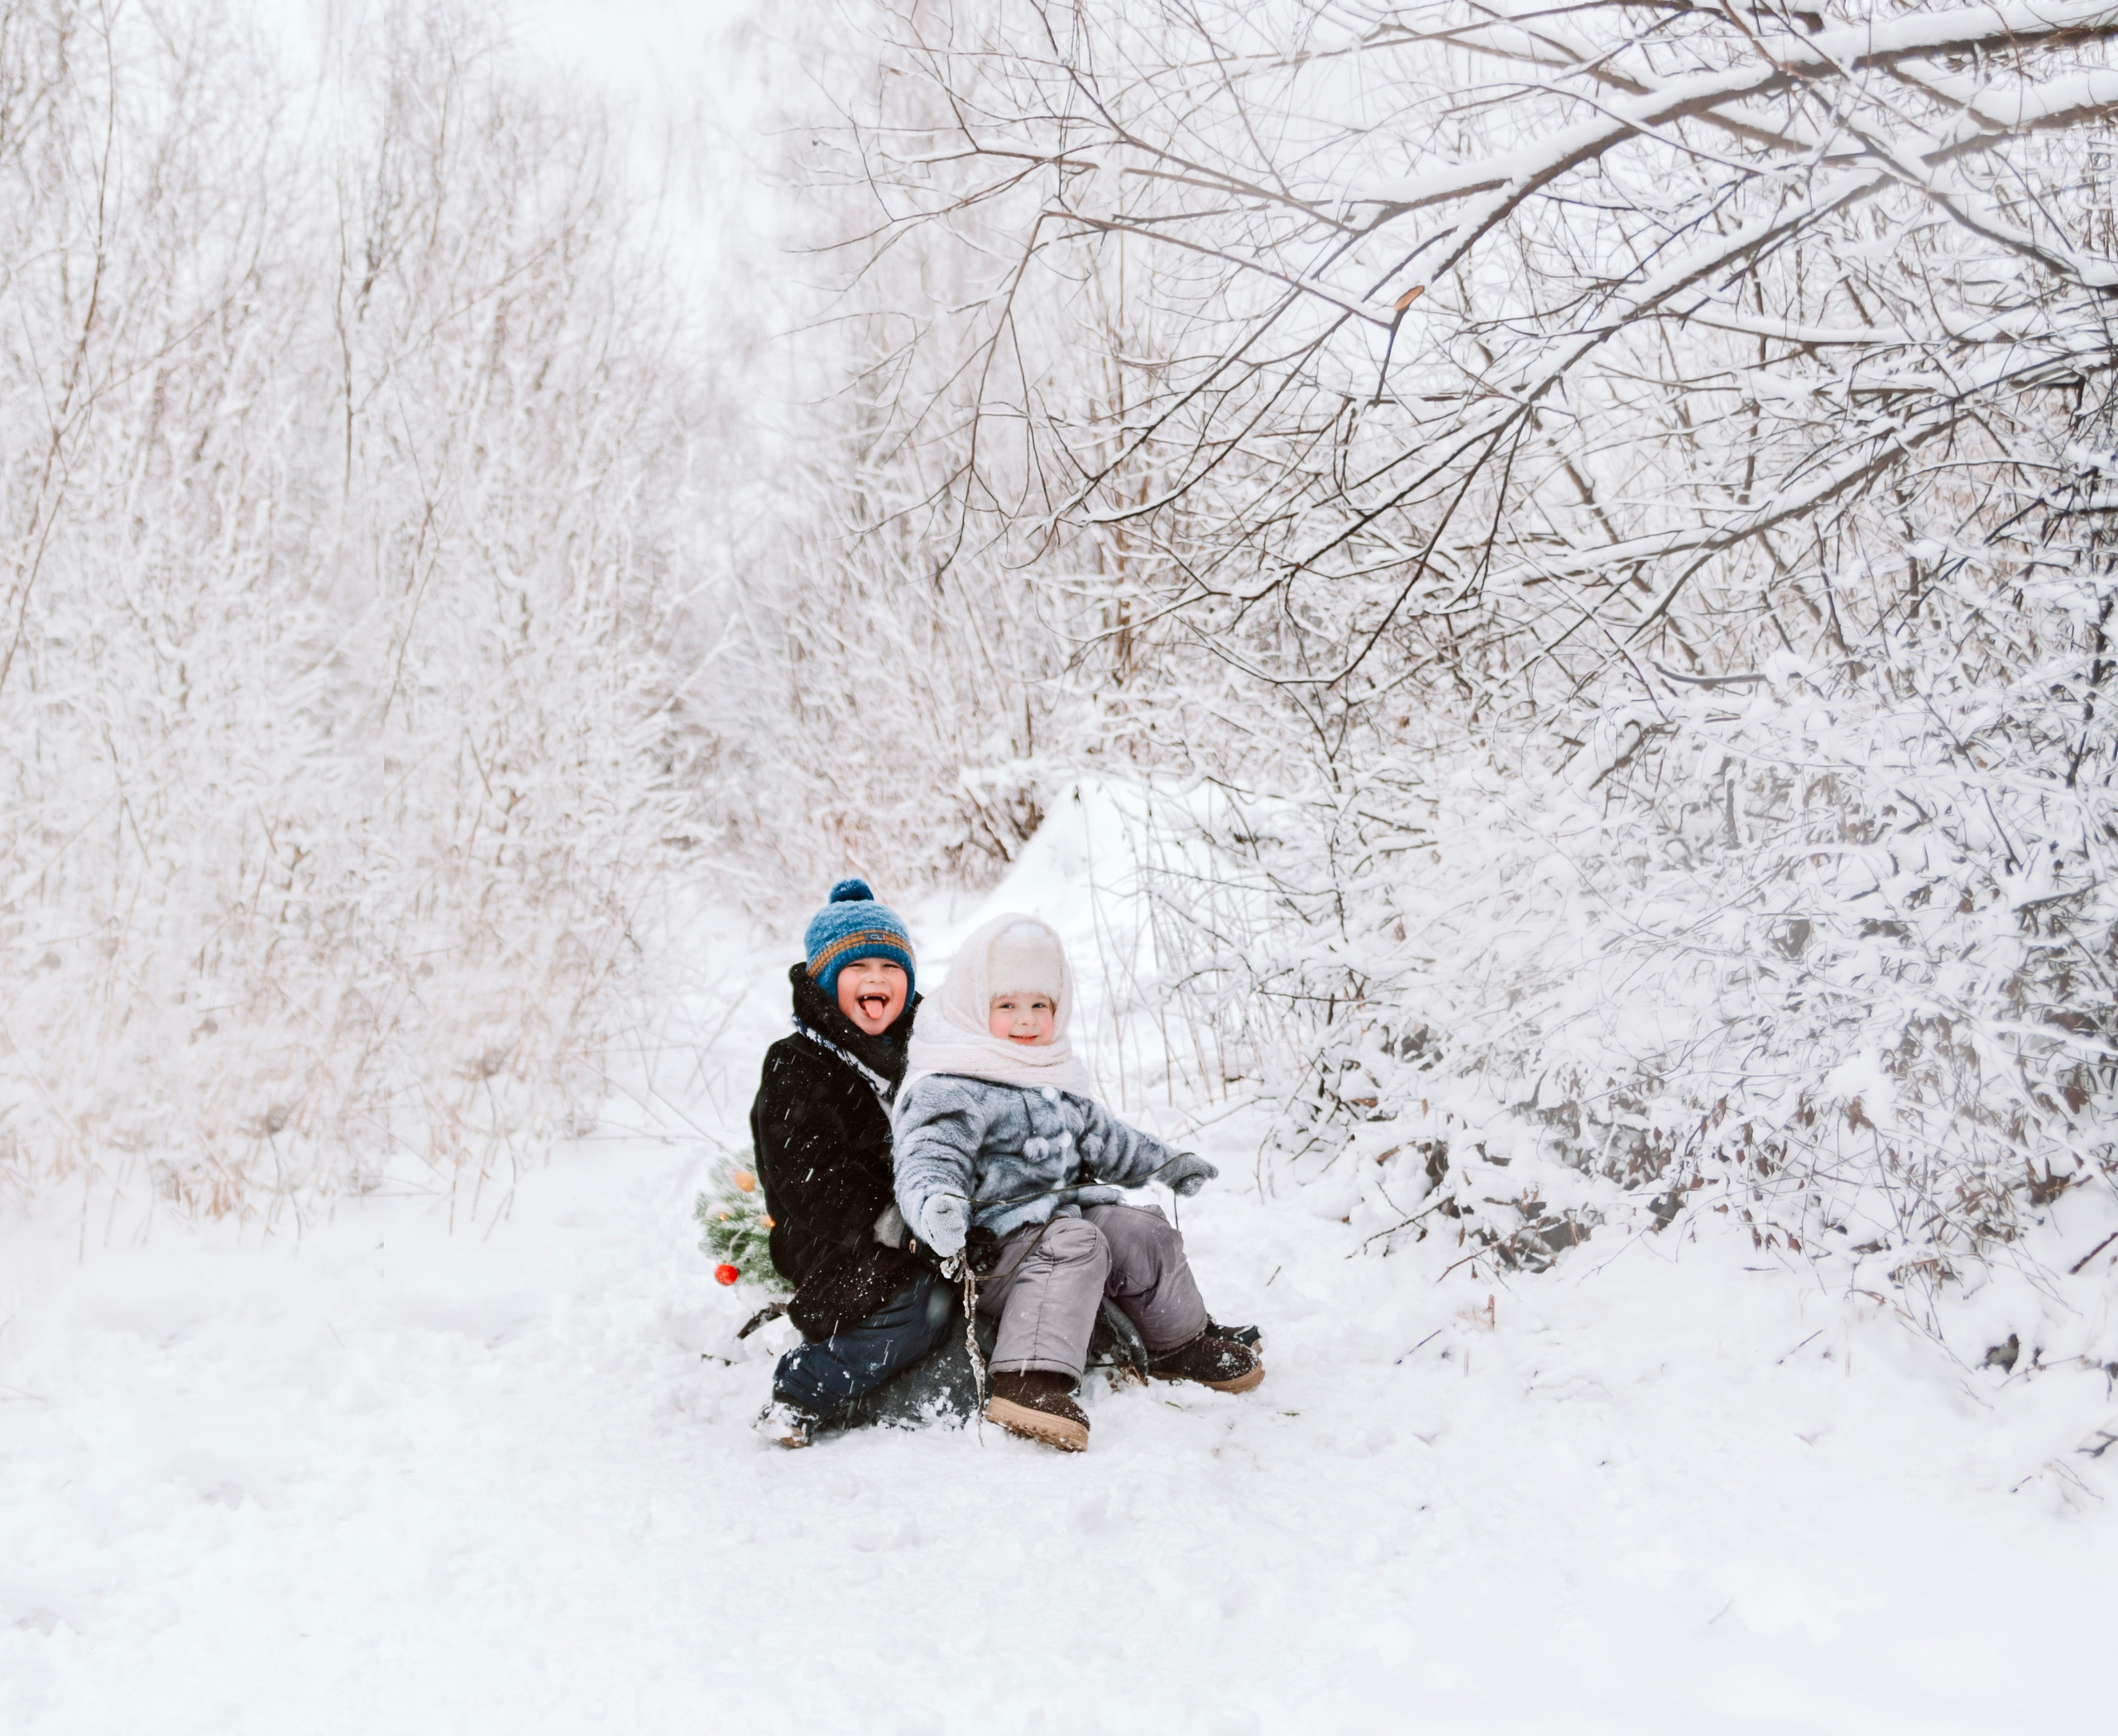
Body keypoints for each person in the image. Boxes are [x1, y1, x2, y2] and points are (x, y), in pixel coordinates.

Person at [891, 912, 1262, 1452]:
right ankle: (1025, 1378)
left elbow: (1109, 1140)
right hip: (991, 1255)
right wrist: (937, 1207)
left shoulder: (1051, 1076)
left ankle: (1177, 1343)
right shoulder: (950, 1084)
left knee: (1142, 1230)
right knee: (1076, 1241)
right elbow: (927, 1158)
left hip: (1057, 1232)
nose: (1026, 1020)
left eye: (1040, 1005)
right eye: (1008, 1005)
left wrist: (1165, 1164)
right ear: (976, 1006)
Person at [749, 879, 951, 1448]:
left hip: (931, 1217)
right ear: (825, 979)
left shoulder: (929, 1052)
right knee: (920, 1301)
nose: (876, 979)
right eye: (857, 966)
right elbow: (805, 1179)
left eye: (891, 966)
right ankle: (805, 1387)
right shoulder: (798, 1066)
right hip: (837, 1238)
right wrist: (895, 1224)